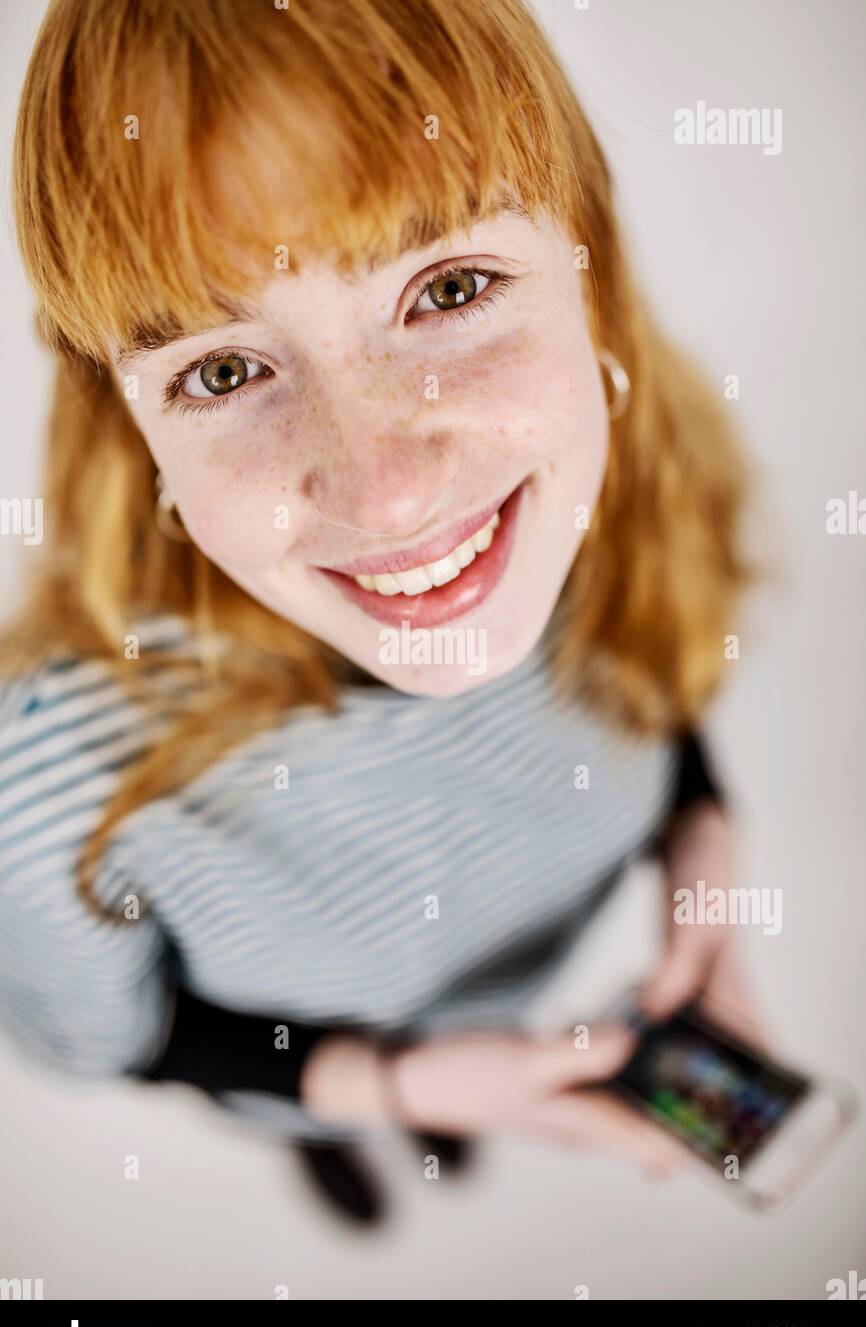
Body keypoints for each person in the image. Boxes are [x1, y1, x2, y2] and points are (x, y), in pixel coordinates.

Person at [0, 0, 761, 1225]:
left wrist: (699, 829)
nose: (388, 491)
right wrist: (376, 1079)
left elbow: (650, 654)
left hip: (506, 1009)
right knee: (345, 1126)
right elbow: (115, 1036)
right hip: (309, 1062)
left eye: (449, 287)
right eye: (225, 368)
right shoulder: (48, 787)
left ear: (591, 280)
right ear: (137, 431)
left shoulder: (612, 497)